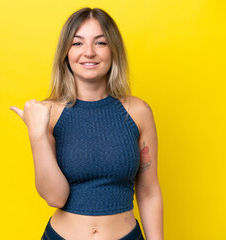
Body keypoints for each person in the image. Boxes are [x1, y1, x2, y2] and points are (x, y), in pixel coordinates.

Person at [10, 7, 163, 240]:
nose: (89, 52)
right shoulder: (47, 114)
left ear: (114, 51)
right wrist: (37, 135)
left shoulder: (138, 112)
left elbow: (149, 191)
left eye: (100, 43)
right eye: (77, 43)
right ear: (65, 53)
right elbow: (55, 198)